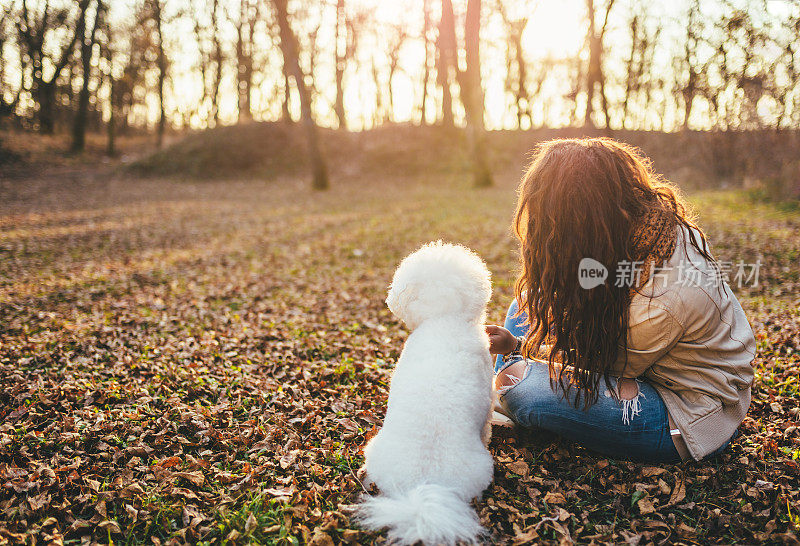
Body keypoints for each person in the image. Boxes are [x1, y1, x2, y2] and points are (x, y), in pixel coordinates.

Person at [486, 138, 756, 463]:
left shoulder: (666, 297)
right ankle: (511, 380)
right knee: (528, 303)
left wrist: (520, 347)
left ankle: (507, 389)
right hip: (642, 359)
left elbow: (597, 363)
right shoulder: (649, 234)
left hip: (684, 410)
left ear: (585, 219)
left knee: (527, 395)